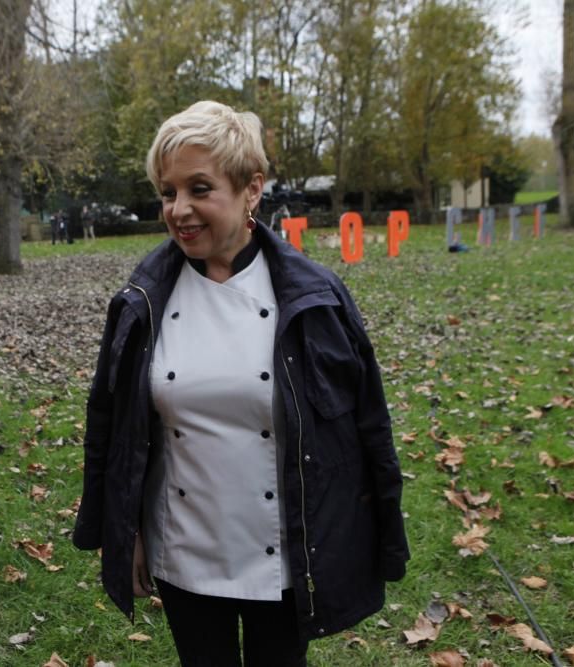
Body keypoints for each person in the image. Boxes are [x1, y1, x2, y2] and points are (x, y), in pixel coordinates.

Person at [73, 101, 409, 666]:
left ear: (252, 189)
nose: (179, 209)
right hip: (185, 548)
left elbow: (366, 429)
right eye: (167, 192)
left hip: (283, 550)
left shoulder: (314, 298)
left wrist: (377, 536)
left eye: (199, 189)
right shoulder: (142, 301)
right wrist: (121, 527)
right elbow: (110, 426)